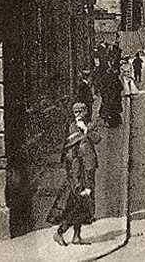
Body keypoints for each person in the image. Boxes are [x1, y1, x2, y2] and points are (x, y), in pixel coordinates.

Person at [49, 102, 101, 246]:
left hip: (89, 171)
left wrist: (86, 130)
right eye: (76, 112)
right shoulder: (72, 128)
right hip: (78, 174)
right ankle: (59, 232)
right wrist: (78, 183)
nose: (79, 114)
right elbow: (71, 157)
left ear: (85, 112)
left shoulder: (88, 125)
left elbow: (97, 139)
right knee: (78, 205)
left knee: (85, 206)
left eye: (81, 111)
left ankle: (77, 236)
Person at [98, 61, 123, 127]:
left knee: (109, 109)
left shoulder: (104, 78)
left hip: (109, 97)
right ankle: (115, 122)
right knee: (114, 110)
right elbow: (121, 87)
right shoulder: (115, 78)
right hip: (114, 97)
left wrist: (103, 94)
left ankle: (111, 122)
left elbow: (101, 87)